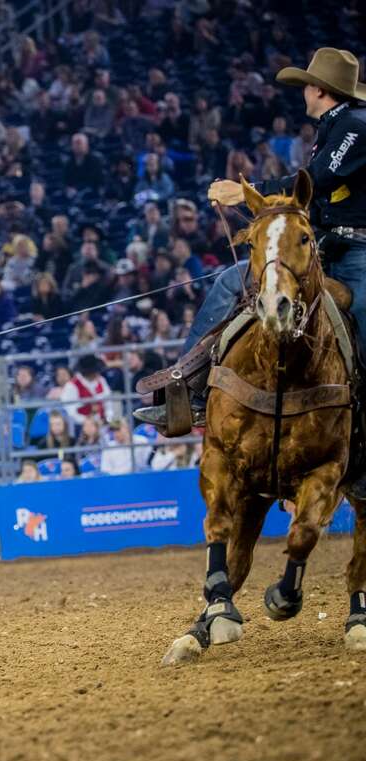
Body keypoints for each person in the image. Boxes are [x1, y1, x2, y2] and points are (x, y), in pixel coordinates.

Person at [135, 48, 366, 476]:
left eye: (305, 87)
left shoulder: (355, 126)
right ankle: (188, 389)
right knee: (231, 284)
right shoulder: (335, 127)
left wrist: (246, 191)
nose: (303, 93)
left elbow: (316, 183)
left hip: (358, 252)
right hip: (322, 249)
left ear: (320, 89)